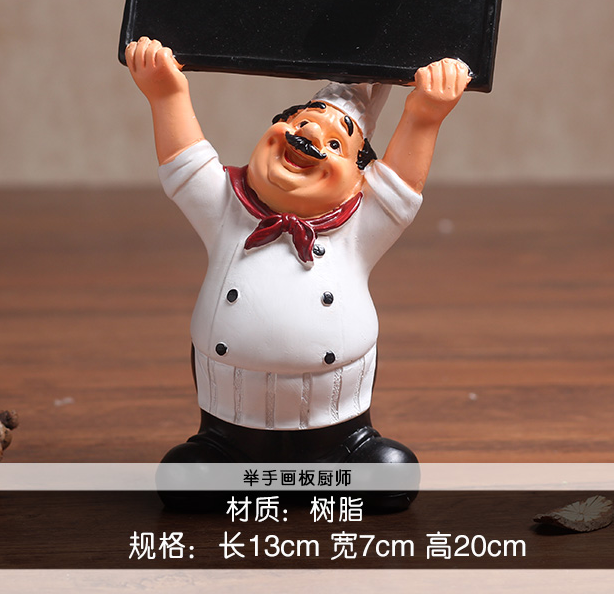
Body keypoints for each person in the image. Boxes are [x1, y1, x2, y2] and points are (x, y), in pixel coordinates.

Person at [125, 36, 470, 511]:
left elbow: (402, 184)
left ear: (360, 177)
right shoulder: (226, 207)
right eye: (301, 123)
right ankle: (224, 457)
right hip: (231, 418)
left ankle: (342, 460)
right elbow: (184, 159)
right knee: (184, 479)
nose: (309, 139)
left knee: (392, 473)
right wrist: (166, 93)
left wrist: (424, 115)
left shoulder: (360, 227)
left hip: (336, 425)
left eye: (336, 143)